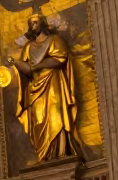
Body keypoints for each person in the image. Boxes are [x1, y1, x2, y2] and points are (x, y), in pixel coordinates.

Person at [6, 13, 77, 161]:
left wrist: (39, 65)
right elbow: (27, 69)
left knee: (55, 114)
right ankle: (44, 155)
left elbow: (61, 58)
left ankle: (60, 152)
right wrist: (15, 62)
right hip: (35, 87)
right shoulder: (28, 47)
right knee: (38, 119)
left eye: (35, 23)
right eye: (30, 23)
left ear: (42, 24)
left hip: (53, 82)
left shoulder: (54, 40)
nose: (32, 26)